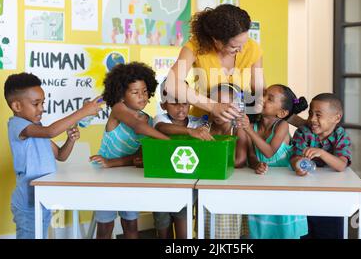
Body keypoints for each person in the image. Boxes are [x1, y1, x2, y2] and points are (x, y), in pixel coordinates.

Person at [4, 73, 103, 239]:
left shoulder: (36, 127)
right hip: (28, 204)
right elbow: (51, 132)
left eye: (43, 103)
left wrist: (70, 140)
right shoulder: (18, 126)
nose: (42, 108)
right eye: (36, 104)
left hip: (43, 198)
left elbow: (60, 156)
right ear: (17, 106)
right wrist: (83, 111)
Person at [89, 62, 169, 239]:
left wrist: (115, 163)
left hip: (127, 173)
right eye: (135, 92)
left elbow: (137, 157)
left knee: (132, 225)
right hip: (104, 176)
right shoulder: (118, 109)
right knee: (105, 228)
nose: (141, 96)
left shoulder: (148, 121)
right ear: (121, 96)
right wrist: (170, 142)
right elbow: (138, 127)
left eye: (145, 91)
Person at [165, 4, 265, 124]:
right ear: (216, 40)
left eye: (244, 42)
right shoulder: (195, 47)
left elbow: (259, 91)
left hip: (239, 126)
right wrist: (213, 107)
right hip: (202, 124)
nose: (242, 49)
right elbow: (171, 83)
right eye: (234, 46)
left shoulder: (252, 48)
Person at [237, 84, 309, 239]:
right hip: (261, 187)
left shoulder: (282, 125)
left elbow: (269, 152)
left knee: (283, 231)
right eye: (263, 95)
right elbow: (251, 155)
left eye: (269, 98)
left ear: (282, 112)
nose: (262, 99)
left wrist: (248, 130)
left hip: (284, 190)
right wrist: (257, 165)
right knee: (262, 231)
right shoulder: (253, 126)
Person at [152, 79, 213, 239]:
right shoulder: (160, 119)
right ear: (164, 105)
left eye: (185, 103)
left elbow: (210, 128)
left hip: (187, 186)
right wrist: (189, 132)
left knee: (183, 229)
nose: (181, 108)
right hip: (162, 186)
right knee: (162, 227)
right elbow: (162, 128)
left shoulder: (197, 122)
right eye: (174, 103)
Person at [290, 93, 352, 239]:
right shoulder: (303, 132)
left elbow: (341, 165)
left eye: (318, 115)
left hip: (332, 193)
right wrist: (298, 165)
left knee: (329, 228)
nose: (312, 119)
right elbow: (295, 158)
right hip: (305, 189)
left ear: (336, 118)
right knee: (304, 228)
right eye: (310, 113)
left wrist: (321, 153)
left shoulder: (341, 135)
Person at [203, 83, 250, 239]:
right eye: (214, 105)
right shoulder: (205, 127)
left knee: (228, 232)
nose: (218, 110)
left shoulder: (238, 129)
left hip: (230, 187)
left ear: (236, 107)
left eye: (225, 106)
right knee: (209, 227)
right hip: (208, 186)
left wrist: (212, 164)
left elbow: (240, 160)